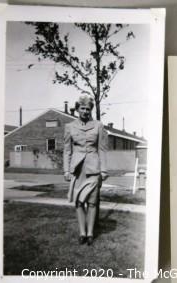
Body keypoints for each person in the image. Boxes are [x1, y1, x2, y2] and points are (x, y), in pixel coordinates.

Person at [63, 95, 108, 245]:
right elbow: (67, 151)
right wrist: (66, 170)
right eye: (82, 108)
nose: (85, 111)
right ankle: (82, 233)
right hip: (77, 169)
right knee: (78, 202)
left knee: (92, 202)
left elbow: (102, 149)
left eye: (88, 109)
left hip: (94, 169)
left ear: (90, 110)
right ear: (77, 109)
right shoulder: (69, 127)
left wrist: (104, 170)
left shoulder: (98, 125)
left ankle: (90, 234)